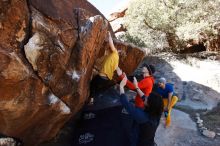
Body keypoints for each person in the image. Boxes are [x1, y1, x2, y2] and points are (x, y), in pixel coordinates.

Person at [119, 75, 163, 146]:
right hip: (149, 141)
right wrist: (137, 87)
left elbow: (126, 104)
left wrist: (121, 86)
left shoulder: (143, 117)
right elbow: (144, 98)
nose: (145, 96)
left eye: (147, 98)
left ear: (149, 105)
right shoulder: (157, 112)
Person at [89, 31, 119, 104]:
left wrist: (109, 35)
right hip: (107, 79)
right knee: (96, 86)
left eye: (107, 50)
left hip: (102, 76)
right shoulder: (116, 58)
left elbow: (111, 43)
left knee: (92, 84)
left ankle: (91, 100)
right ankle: (94, 100)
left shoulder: (114, 53)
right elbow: (115, 68)